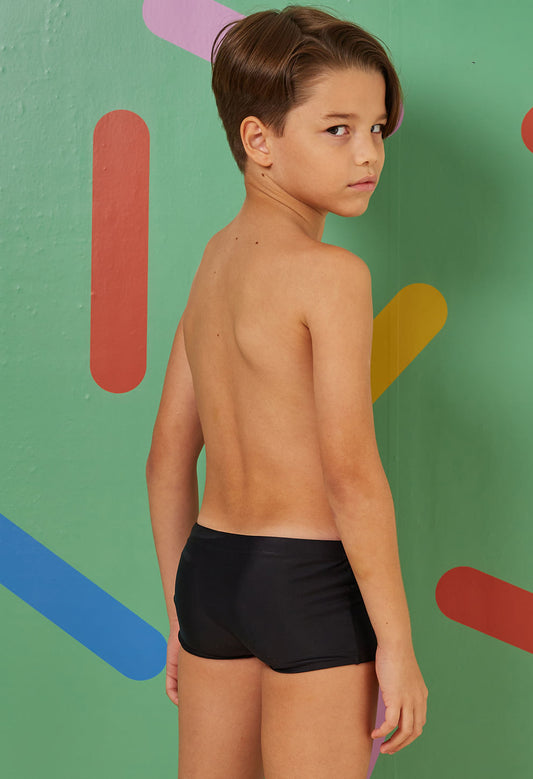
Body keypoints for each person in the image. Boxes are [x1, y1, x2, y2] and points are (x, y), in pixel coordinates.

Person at [146, 5, 428, 778]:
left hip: (210, 576)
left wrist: (180, 614)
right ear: (258, 140)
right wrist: (396, 644)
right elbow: (350, 474)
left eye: (377, 128)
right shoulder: (332, 276)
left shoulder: (214, 260)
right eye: (337, 129)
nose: (367, 153)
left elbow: (166, 459)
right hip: (306, 584)